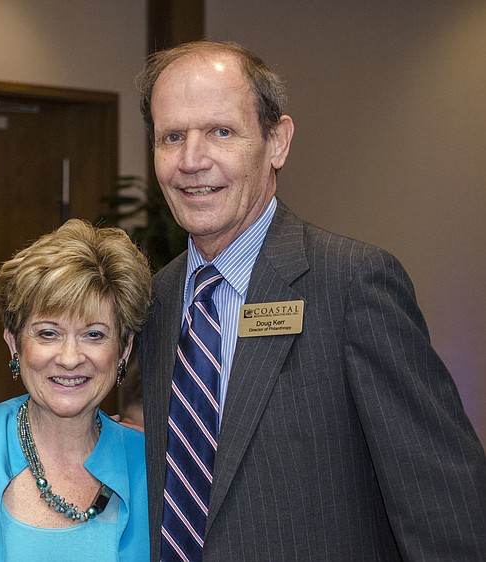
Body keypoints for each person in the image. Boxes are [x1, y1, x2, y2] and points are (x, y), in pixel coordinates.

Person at [136, 40, 486, 561]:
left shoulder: (352, 284)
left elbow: (445, 511)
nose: (192, 160)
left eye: (221, 132)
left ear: (277, 142)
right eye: (172, 137)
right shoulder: (157, 301)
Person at [0, 219, 152, 561]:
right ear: (14, 344)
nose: (69, 359)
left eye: (94, 334)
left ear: (123, 350)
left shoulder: (152, 464)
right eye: (48, 333)